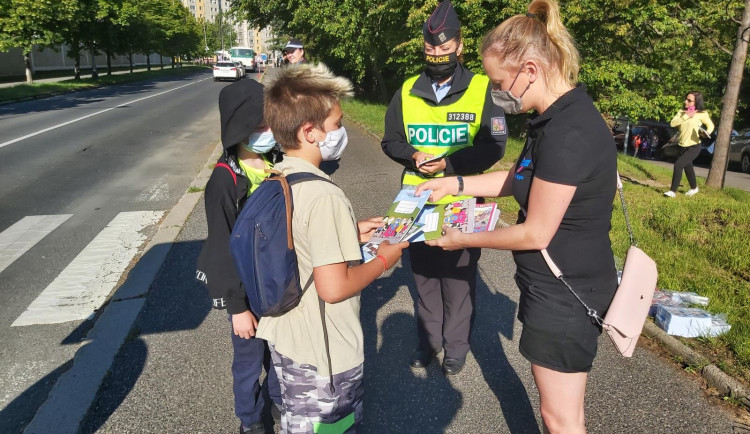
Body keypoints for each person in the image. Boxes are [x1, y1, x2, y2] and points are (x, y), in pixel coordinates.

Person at [415, 0, 618, 431]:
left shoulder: (568, 133)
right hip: (557, 286)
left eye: (499, 81)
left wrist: (460, 238)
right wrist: (456, 184)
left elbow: (535, 233)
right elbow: (520, 177)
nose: (496, 92)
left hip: (567, 293)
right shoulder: (552, 118)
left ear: (529, 69)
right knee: (564, 411)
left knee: (559, 418)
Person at [256, 63, 409, 433]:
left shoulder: (280, 177)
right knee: (333, 428)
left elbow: (299, 242)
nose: (342, 132)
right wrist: (385, 259)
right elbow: (333, 287)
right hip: (324, 356)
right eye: (338, 124)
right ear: (310, 131)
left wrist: (350, 234)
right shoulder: (325, 195)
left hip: (290, 338)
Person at [380, 0, 507, 376]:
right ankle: (429, 341)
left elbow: (494, 146)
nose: (437, 55)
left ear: (459, 46)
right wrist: (414, 155)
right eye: (431, 48)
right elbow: (390, 141)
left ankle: (456, 346)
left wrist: (448, 165)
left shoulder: (484, 88)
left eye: (445, 47)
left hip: (463, 199)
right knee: (423, 275)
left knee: (458, 278)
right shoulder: (406, 90)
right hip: (417, 200)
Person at [195, 79, 283, 434]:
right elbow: (221, 249)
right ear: (239, 127)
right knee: (249, 362)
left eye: (271, 123)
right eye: (260, 125)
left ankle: (279, 403)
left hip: (276, 285)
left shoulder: (274, 164)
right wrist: (237, 308)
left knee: (280, 354)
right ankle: (250, 420)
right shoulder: (224, 181)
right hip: (245, 293)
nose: (268, 131)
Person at [664, 91, 715, 197]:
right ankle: (694, 188)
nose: (685, 101)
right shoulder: (682, 112)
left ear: (696, 102)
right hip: (681, 145)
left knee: (678, 165)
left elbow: (710, 126)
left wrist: (707, 132)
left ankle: (672, 191)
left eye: (689, 100)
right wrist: (686, 116)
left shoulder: (702, 114)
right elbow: (673, 123)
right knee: (688, 168)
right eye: (686, 99)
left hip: (694, 146)